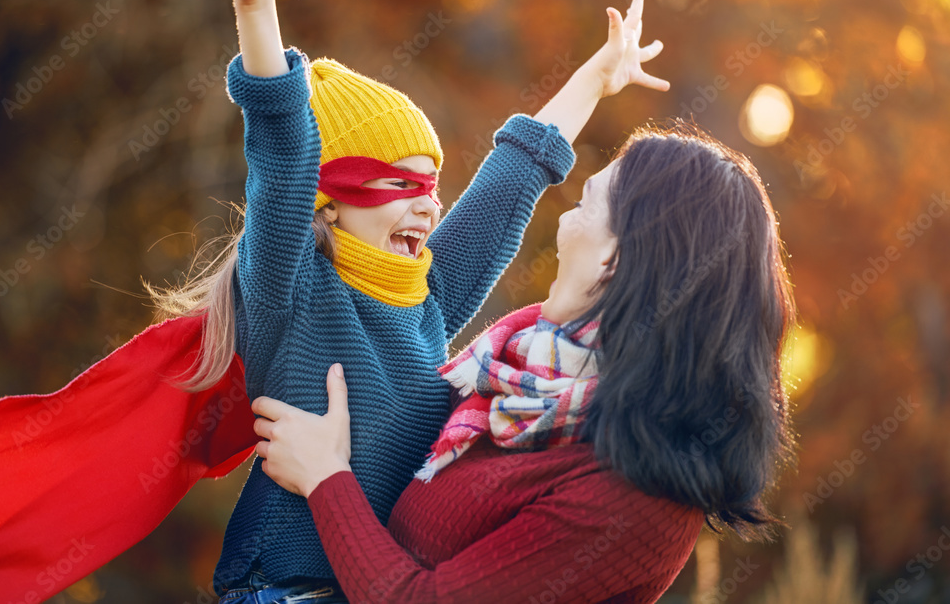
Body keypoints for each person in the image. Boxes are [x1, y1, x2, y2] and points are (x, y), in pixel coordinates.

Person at [174, 0, 671, 600]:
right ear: (329, 200)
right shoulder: (286, 289)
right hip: (282, 590)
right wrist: (256, 2)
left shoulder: (428, 296)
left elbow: (511, 181)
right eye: (400, 185)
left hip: (373, 584)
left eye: (432, 186)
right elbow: (282, 148)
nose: (429, 208)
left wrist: (596, 77)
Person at [252, 120, 798, 602]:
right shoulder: (525, 368)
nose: (563, 224)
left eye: (585, 205)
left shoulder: (636, 499)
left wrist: (326, 478)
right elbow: (454, 268)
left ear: (616, 258)